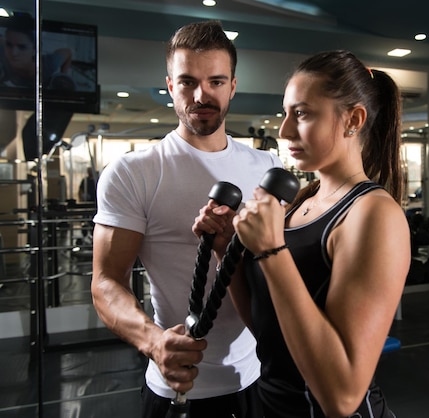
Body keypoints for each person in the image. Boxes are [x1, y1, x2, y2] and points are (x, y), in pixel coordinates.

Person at [193, 50, 411, 417]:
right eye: (285, 113)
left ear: (353, 120)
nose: (284, 130)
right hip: (272, 405)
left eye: (303, 113)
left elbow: (341, 397)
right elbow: (270, 330)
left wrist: (271, 251)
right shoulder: (300, 201)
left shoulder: (373, 214)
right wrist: (224, 248)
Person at [91, 20, 282, 418]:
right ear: (169, 85)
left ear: (232, 86)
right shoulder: (134, 172)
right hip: (180, 389)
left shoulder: (267, 165)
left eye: (215, 81)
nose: (201, 95)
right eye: (187, 82)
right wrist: (155, 342)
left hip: (258, 378)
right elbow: (106, 283)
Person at [0, 14, 74, 89]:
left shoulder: (48, 65)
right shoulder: (4, 52)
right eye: (9, 44)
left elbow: (68, 52)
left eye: (22, 47)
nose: (13, 53)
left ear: (35, 50)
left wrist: (63, 77)